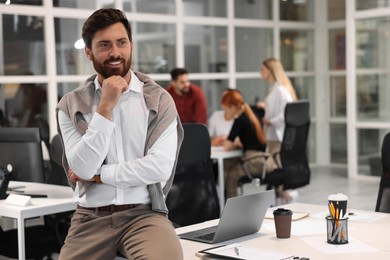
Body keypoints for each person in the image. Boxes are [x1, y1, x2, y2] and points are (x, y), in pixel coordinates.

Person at [56, 8, 184, 259]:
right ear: (89, 52)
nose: (115, 52)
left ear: (131, 46)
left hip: (143, 215)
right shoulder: (71, 105)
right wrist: (105, 107)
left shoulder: (158, 100)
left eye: (121, 43)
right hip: (89, 218)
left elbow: (159, 167)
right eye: (104, 45)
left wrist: (101, 175)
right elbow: (82, 170)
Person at [258, 57, 298, 203]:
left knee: (278, 171)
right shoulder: (275, 88)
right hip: (273, 137)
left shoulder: (281, 90)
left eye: (263, 69)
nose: (261, 72)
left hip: (278, 137)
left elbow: (287, 112)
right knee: (276, 171)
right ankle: (283, 200)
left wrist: (270, 121)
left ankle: (289, 198)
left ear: (270, 70)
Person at [222, 90, 272, 198]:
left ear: (232, 107)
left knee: (231, 175)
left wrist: (234, 143)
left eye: (225, 109)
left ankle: (232, 208)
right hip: (266, 160)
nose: (225, 112)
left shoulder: (239, 120)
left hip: (254, 162)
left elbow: (226, 147)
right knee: (231, 166)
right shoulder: (253, 111)